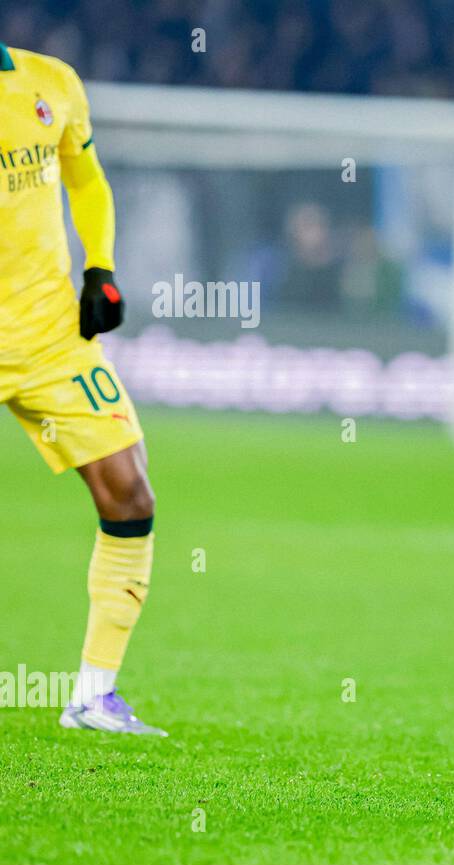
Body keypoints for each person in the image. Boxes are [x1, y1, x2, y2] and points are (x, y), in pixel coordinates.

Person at [0, 40, 164, 735]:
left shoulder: (50, 81)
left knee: (128, 490)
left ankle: (93, 695)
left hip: (45, 335)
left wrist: (101, 266)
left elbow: (87, 180)